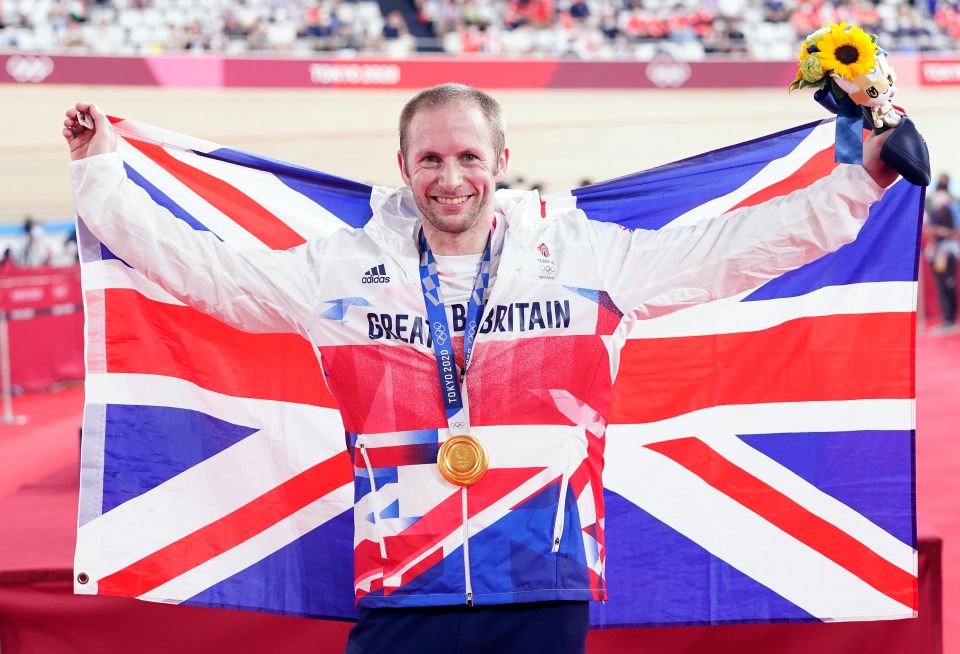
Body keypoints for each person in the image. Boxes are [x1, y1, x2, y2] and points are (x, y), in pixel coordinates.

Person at [63, 84, 897, 654]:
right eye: (429, 160)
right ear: (403, 169)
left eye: (467, 157)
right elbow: (208, 272)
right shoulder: (340, 271)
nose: (449, 177)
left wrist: (862, 182)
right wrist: (102, 173)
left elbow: (734, 251)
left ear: (500, 160)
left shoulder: (587, 257)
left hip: (546, 582)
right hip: (401, 584)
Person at [923, 172, 960, 334]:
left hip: (948, 252)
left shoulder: (952, 208)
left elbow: (956, 232)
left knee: (948, 285)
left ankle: (950, 320)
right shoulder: (935, 210)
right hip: (938, 254)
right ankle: (947, 319)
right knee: (941, 286)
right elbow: (931, 231)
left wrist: (941, 231)